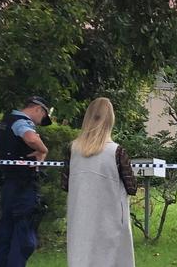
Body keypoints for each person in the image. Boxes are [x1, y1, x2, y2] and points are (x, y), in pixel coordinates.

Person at [62, 97, 137, 267]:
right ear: (110, 120)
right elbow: (131, 187)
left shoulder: (72, 150)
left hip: (80, 217)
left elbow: (65, 184)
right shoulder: (117, 152)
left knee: (82, 257)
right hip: (110, 218)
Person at [0, 96, 52, 267]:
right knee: (23, 238)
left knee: (5, 234)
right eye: (43, 117)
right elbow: (31, 139)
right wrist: (43, 150)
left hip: (8, 186)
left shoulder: (3, 124)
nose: (41, 122)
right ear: (38, 109)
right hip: (23, 187)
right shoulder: (21, 122)